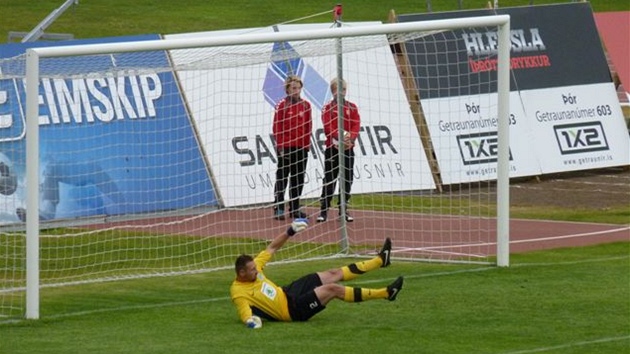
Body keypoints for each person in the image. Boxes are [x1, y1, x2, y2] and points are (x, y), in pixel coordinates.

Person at [230, 219, 403, 328]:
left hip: (287, 292)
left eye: (255, 267)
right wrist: (250, 321)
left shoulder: (255, 267)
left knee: (332, 273)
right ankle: (386, 293)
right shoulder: (239, 293)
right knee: (332, 289)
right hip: (292, 311)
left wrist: (290, 231)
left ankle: (380, 260)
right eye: (252, 270)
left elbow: (272, 247)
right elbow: (244, 312)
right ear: (242, 273)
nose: (256, 270)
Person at [317, 78, 361, 223]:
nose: (340, 93)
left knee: (347, 178)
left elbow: (356, 124)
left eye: (342, 90)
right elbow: (328, 126)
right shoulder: (327, 108)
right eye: (336, 90)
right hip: (332, 148)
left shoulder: (352, 107)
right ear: (332, 91)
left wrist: (350, 139)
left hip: (348, 148)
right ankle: (324, 210)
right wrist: (340, 137)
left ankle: (343, 210)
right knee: (330, 179)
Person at [272, 75, 313, 220]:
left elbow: (309, 127)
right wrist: (281, 146)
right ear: (287, 89)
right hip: (286, 147)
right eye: (293, 88)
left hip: (301, 148)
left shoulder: (306, 105)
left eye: (298, 88)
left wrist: (306, 146)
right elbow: (277, 127)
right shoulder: (282, 105)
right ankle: (279, 207)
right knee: (282, 177)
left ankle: (295, 209)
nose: (296, 91)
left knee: (298, 179)